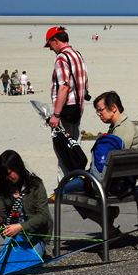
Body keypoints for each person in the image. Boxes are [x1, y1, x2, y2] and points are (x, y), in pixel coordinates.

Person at [63, 91, 138, 237]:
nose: (99, 114)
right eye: (97, 111)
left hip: (119, 182)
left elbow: (109, 165)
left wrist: (89, 176)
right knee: (78, 184)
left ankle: (107, 225)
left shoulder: (122, 131)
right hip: (120, 178)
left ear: (114, 108)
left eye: (101, 110)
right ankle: (106, 213)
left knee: (66, 189)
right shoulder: (120, 126)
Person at [45, 26, 89, 194]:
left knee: (63, 150)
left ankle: (62, 190)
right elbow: (85, 83)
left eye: (50, 45)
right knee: (74, 147)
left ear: (55, 40)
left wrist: (56, 114)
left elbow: (63, 86)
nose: (51, 49)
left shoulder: (62, 58)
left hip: (65, 111)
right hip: (77, 109)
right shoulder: (78, 55)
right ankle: (75, 185)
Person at [0, 150, 53, 258]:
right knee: (5, 260)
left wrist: (20, 227)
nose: (7, 178)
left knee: (27, 260)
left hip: (36, 234)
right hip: (14, 235)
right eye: (4, 175)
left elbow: (43, 216)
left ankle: (40, 251)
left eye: (9, 173)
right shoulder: (5, 188)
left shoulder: (36, 185)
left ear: (18, 167)